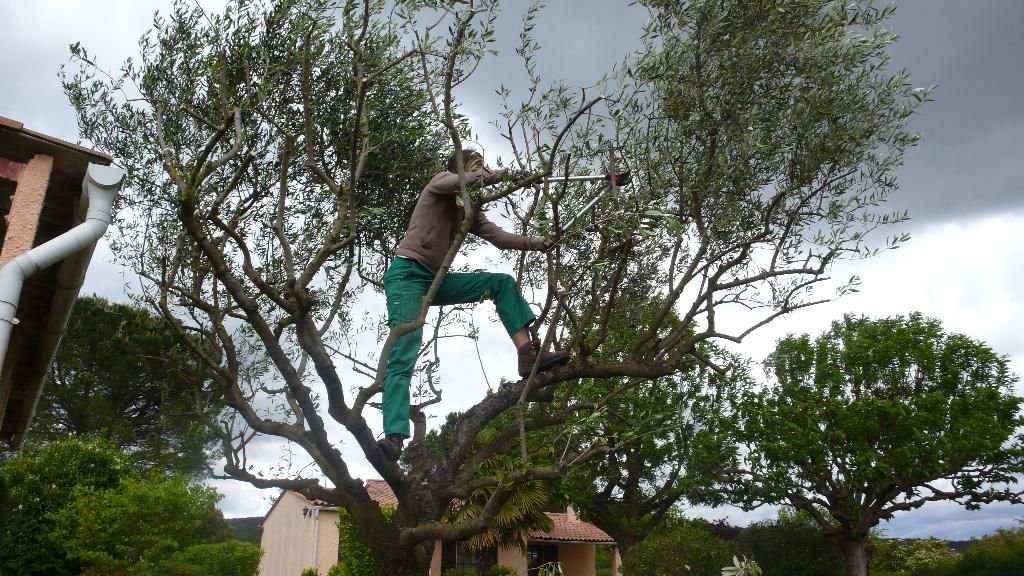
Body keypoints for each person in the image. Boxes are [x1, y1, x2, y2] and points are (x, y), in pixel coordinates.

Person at [377, 149, 570, 461]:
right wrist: (506, 174)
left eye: (484, 165)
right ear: (458, 169)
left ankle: (526, 354)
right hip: (408, 276)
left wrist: (536, 242)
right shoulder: (440, 183)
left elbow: (498, 236)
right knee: (406, 348)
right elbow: (469, 181)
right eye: (475, 165)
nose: (482, 169)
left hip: (436, 280)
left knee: (501, 282)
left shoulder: (470, 208)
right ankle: (394, 436)